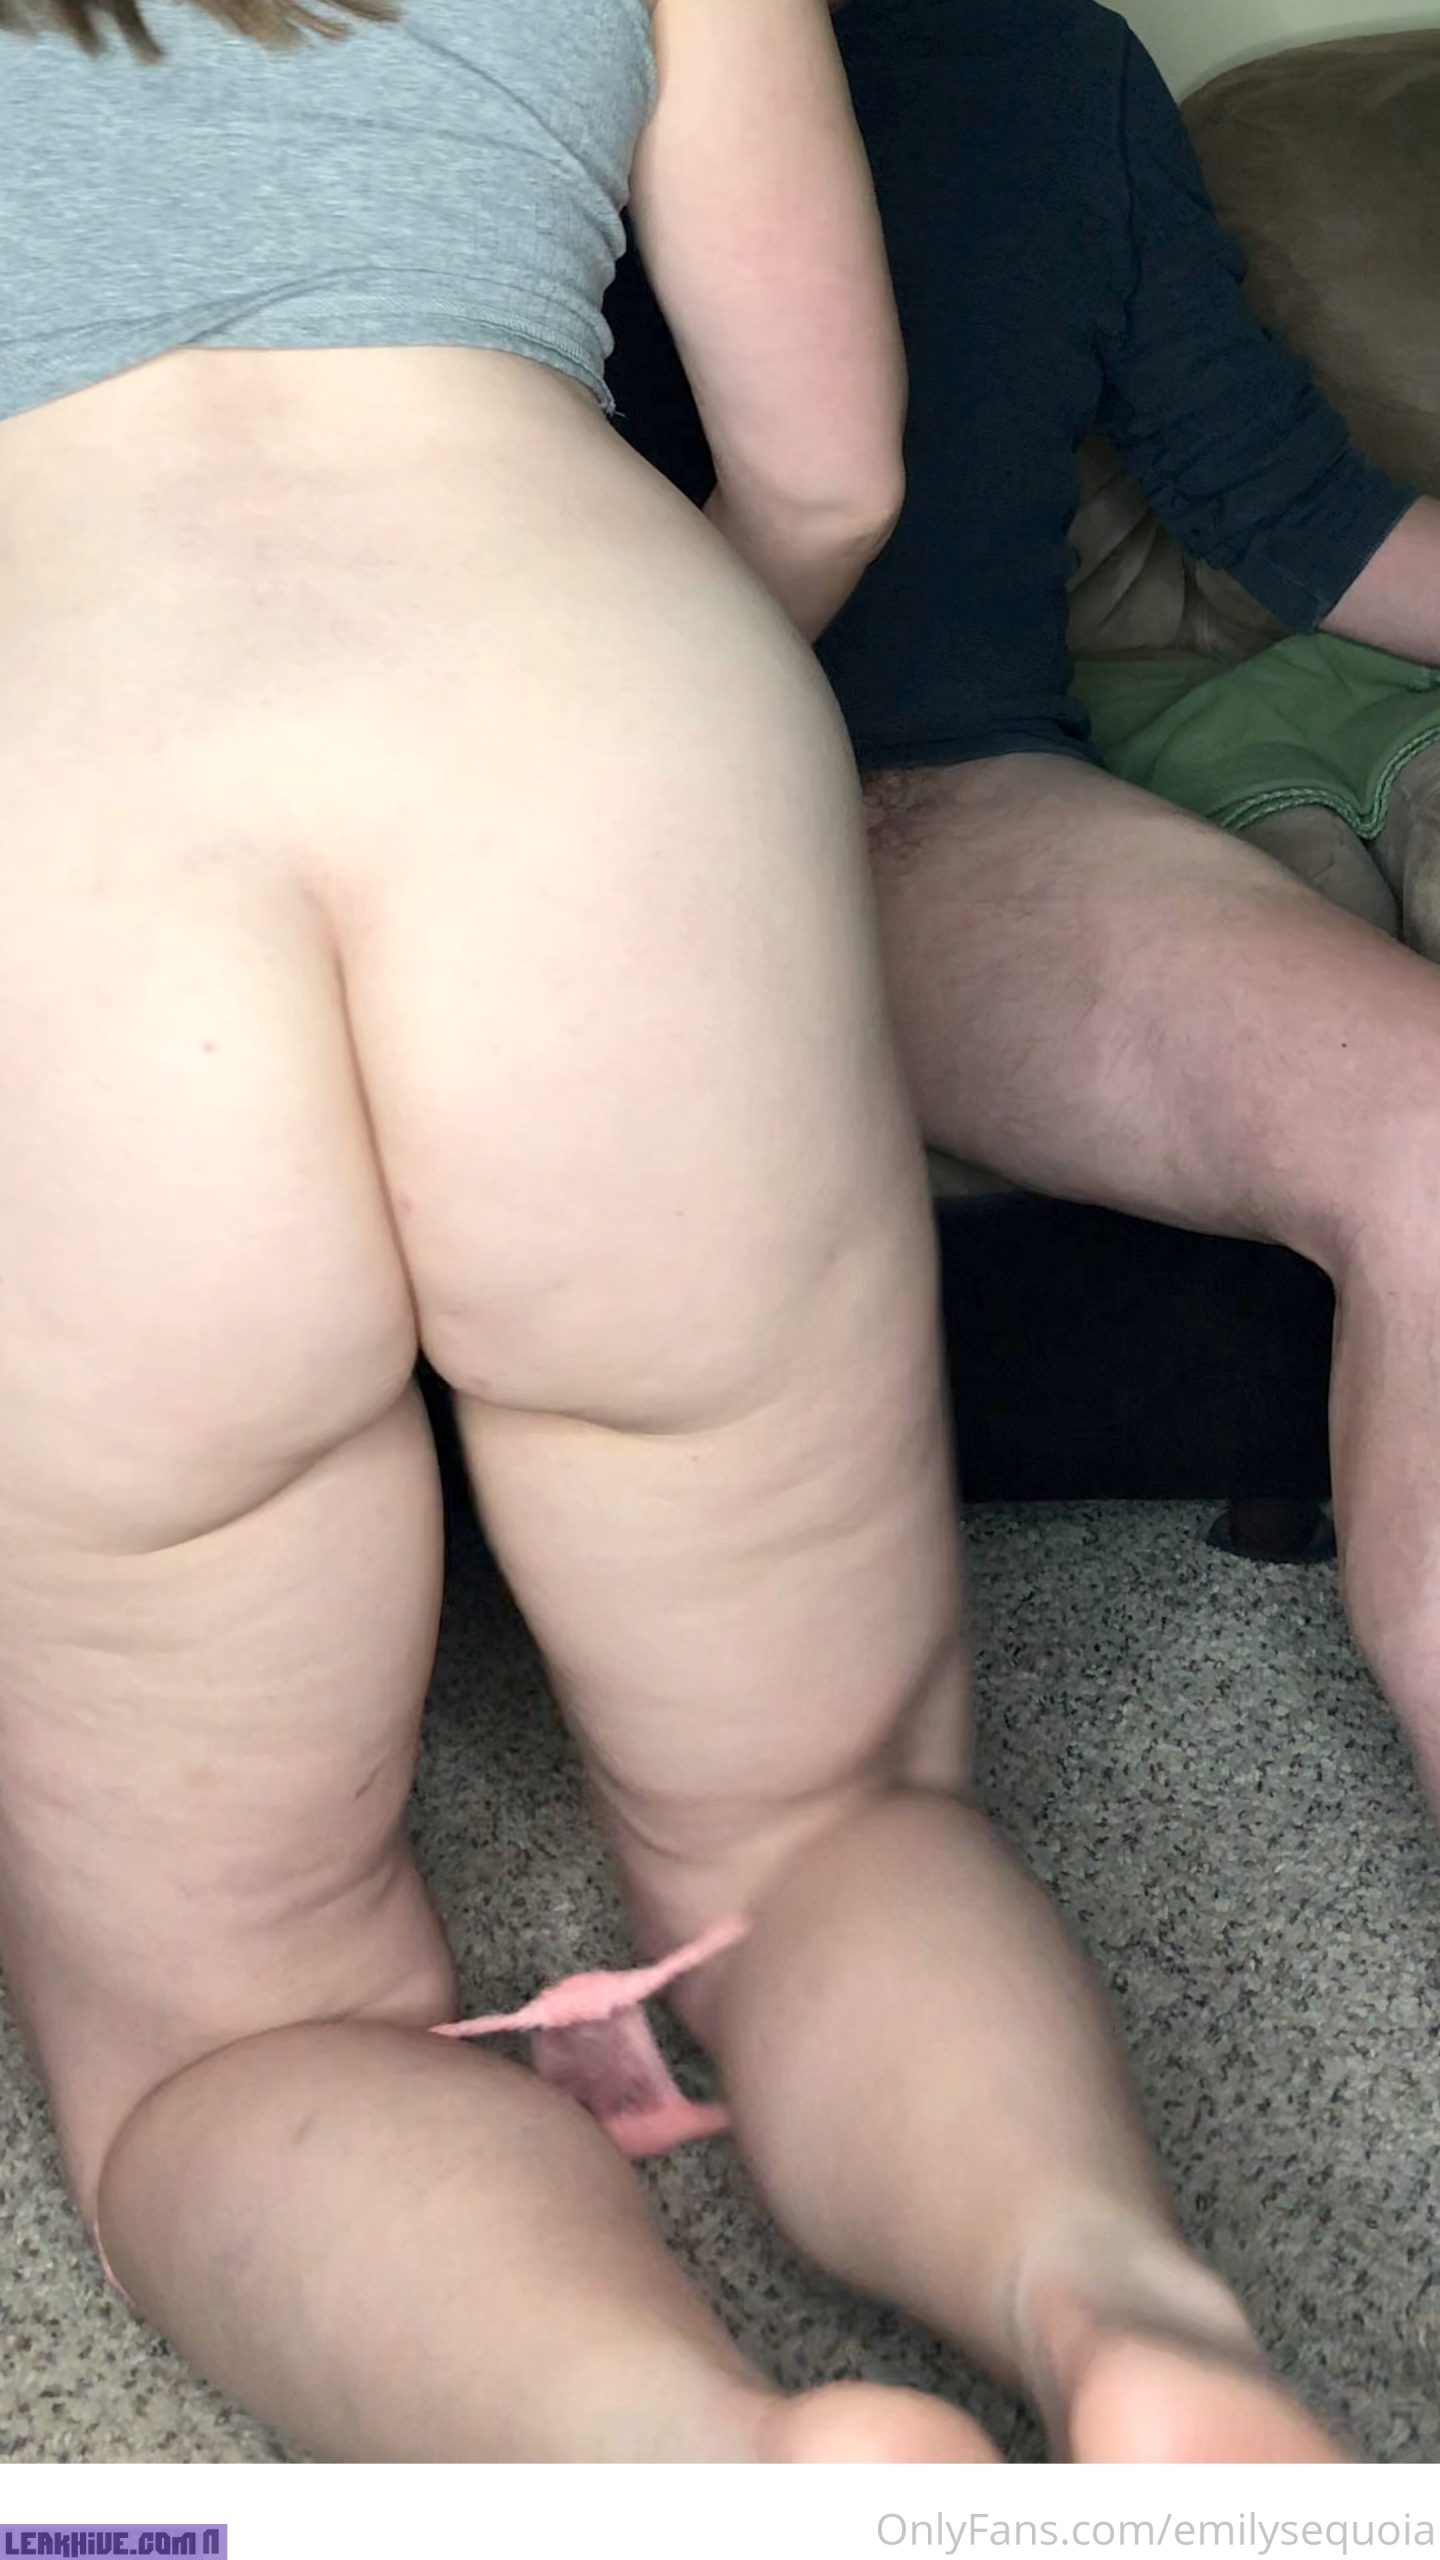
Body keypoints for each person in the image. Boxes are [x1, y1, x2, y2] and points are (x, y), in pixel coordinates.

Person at [0, 0, 1343, 2467]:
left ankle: (698, 2462)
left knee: (222, 2020)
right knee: (827, 1823)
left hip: (53, 809)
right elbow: (827, 469)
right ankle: (1127, 2312)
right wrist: (623, 758)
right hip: (582, 704)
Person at [607, 0, 1440, 1819]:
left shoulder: (1055, 61)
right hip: (539, 822)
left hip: (935, 818)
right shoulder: (478, 56)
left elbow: (1292, 508)